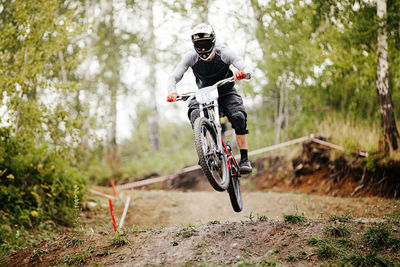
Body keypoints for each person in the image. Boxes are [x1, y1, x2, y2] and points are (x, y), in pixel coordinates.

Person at [166, 23, 252, 174]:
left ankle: (244, 159)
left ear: (213, 41)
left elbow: (246, 67)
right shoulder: (191, 56)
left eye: (206, 44)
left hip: (226, 91)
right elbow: (174, 76)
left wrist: (242, 73)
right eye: (199, 45)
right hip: (203, 93)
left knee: (238, 116)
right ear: (194, 45)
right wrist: (172, 91)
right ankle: (205, 151)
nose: (203, 49)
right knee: (194, 114)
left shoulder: (224, 53)